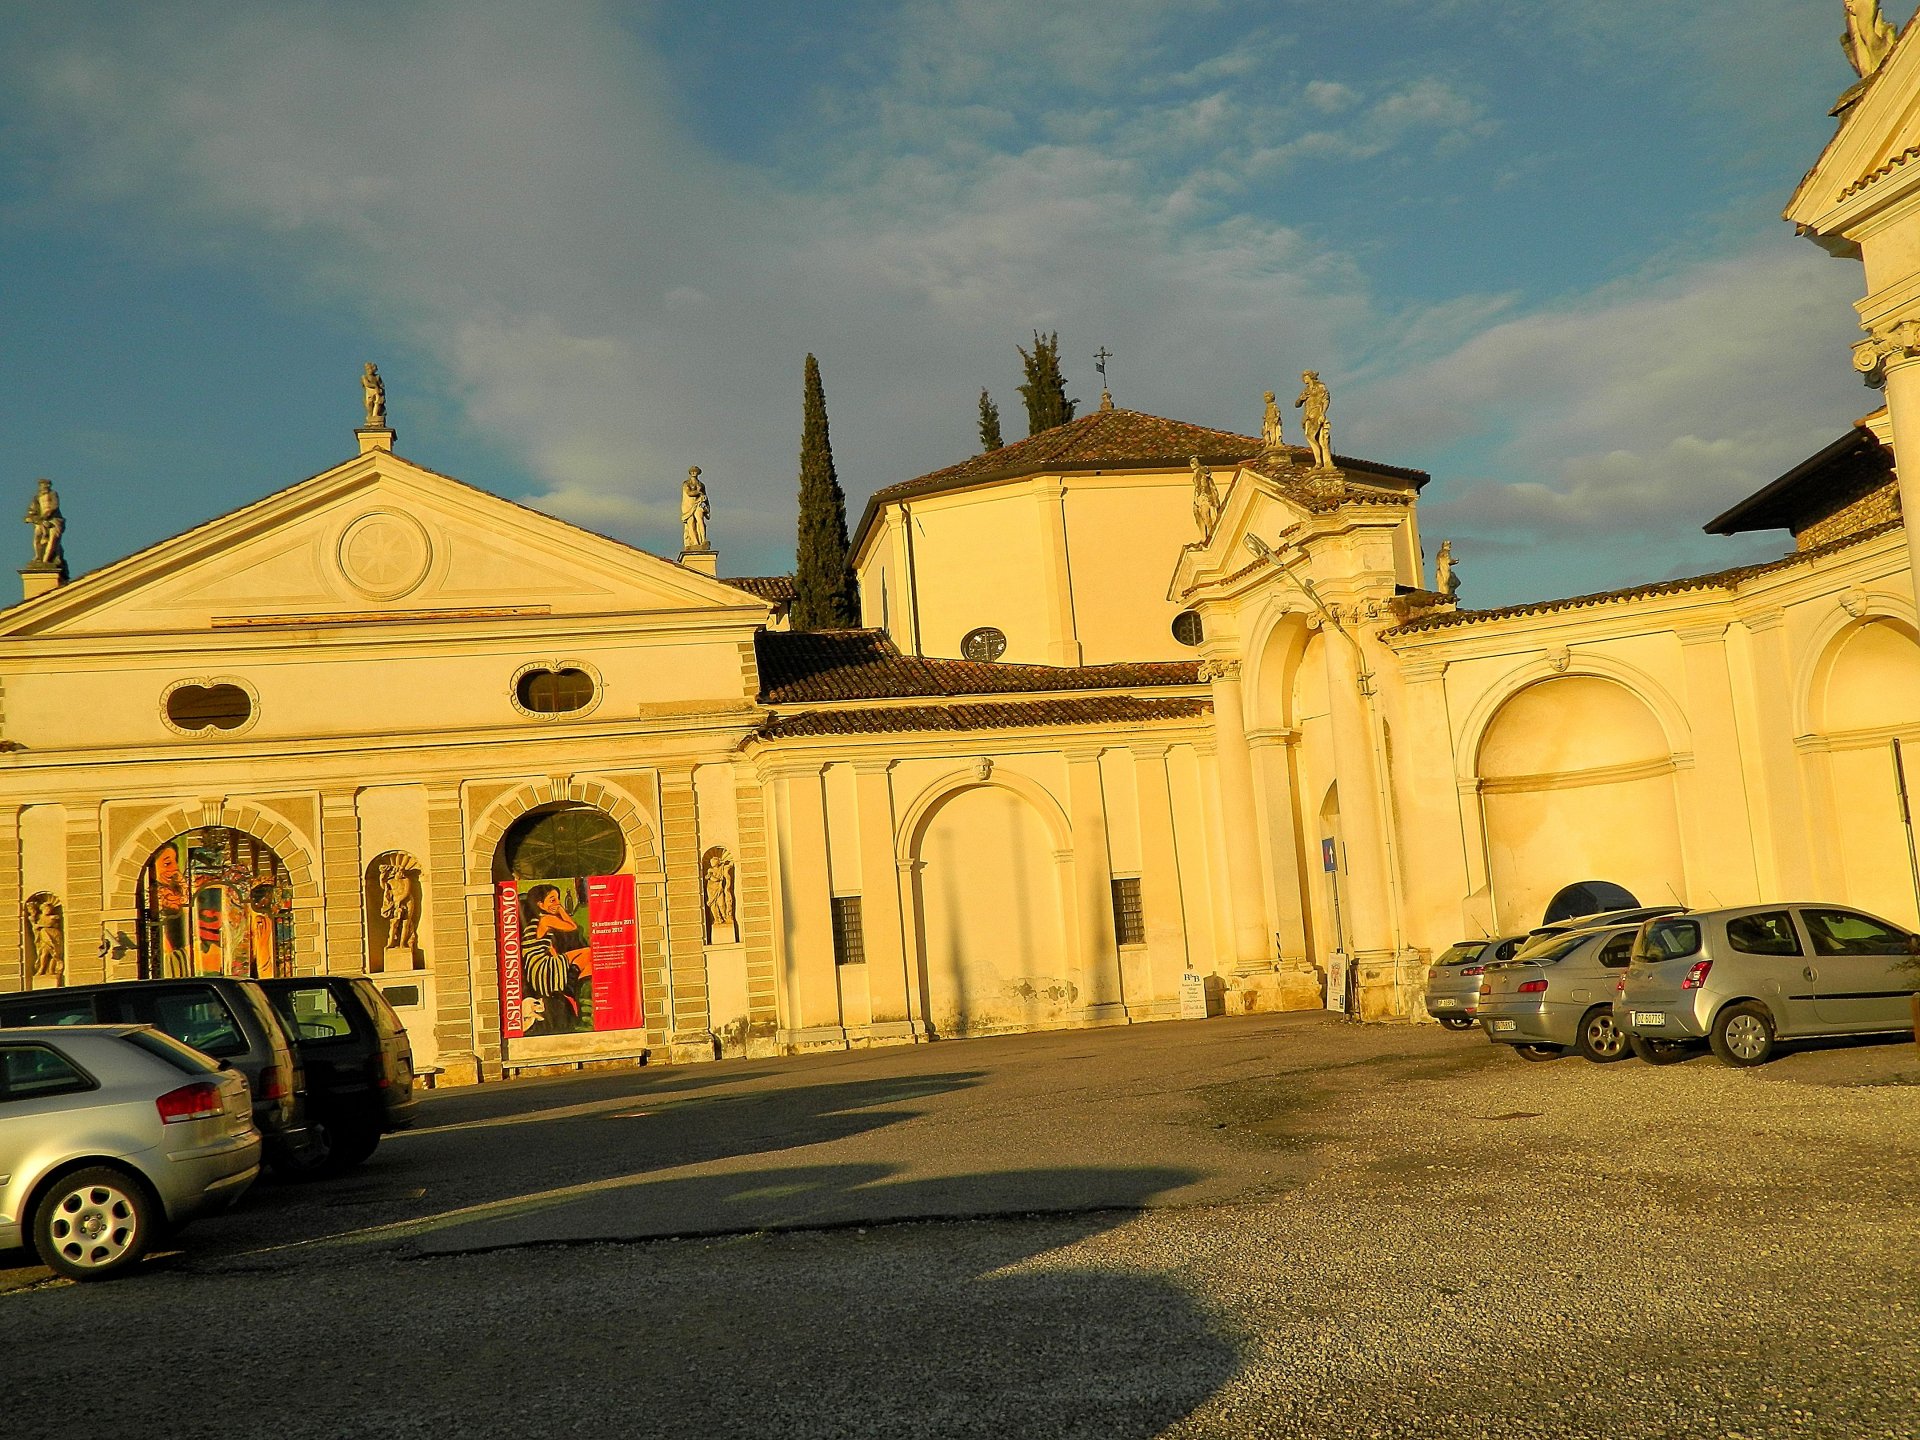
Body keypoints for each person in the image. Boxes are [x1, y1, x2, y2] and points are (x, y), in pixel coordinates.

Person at [1295, 371, 1333, 471]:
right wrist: (1300, 399)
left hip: (1317, 413)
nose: (1304, 379)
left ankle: (1322, 461)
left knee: (1316, 437)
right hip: (1308, 416)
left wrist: (1322, 413)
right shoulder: (1306, 390)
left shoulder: (1320, 387)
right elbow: (1297, 404)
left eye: (1305, 377)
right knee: (1310, 436)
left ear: (1310, 377)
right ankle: (1319, 460)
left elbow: (1325, 400)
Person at [24, 479, 63, 568]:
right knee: (38, 536)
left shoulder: (53, 494)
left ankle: (46, 560)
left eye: (47, 484)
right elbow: (32, 510)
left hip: (54, 520)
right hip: (41, 521)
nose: (46, 486)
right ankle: (38, 556)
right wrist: (32, 517)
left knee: (53, 539)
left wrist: (44, 517)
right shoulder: (37, 497)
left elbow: (54, 506)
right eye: (43, 484)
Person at [681, 466, 710, 552]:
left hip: (698, 503)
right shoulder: (686, 483)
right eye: (692, 471)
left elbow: (705, 496)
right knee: (691, 522)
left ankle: (703, 540)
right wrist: (699, 492)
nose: (694, 473)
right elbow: (689, 493)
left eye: (695, 471)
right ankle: (695, 542)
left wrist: (708, 507)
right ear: (690, 473)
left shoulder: (701, 484)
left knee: (700, 521)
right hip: (688, 505)